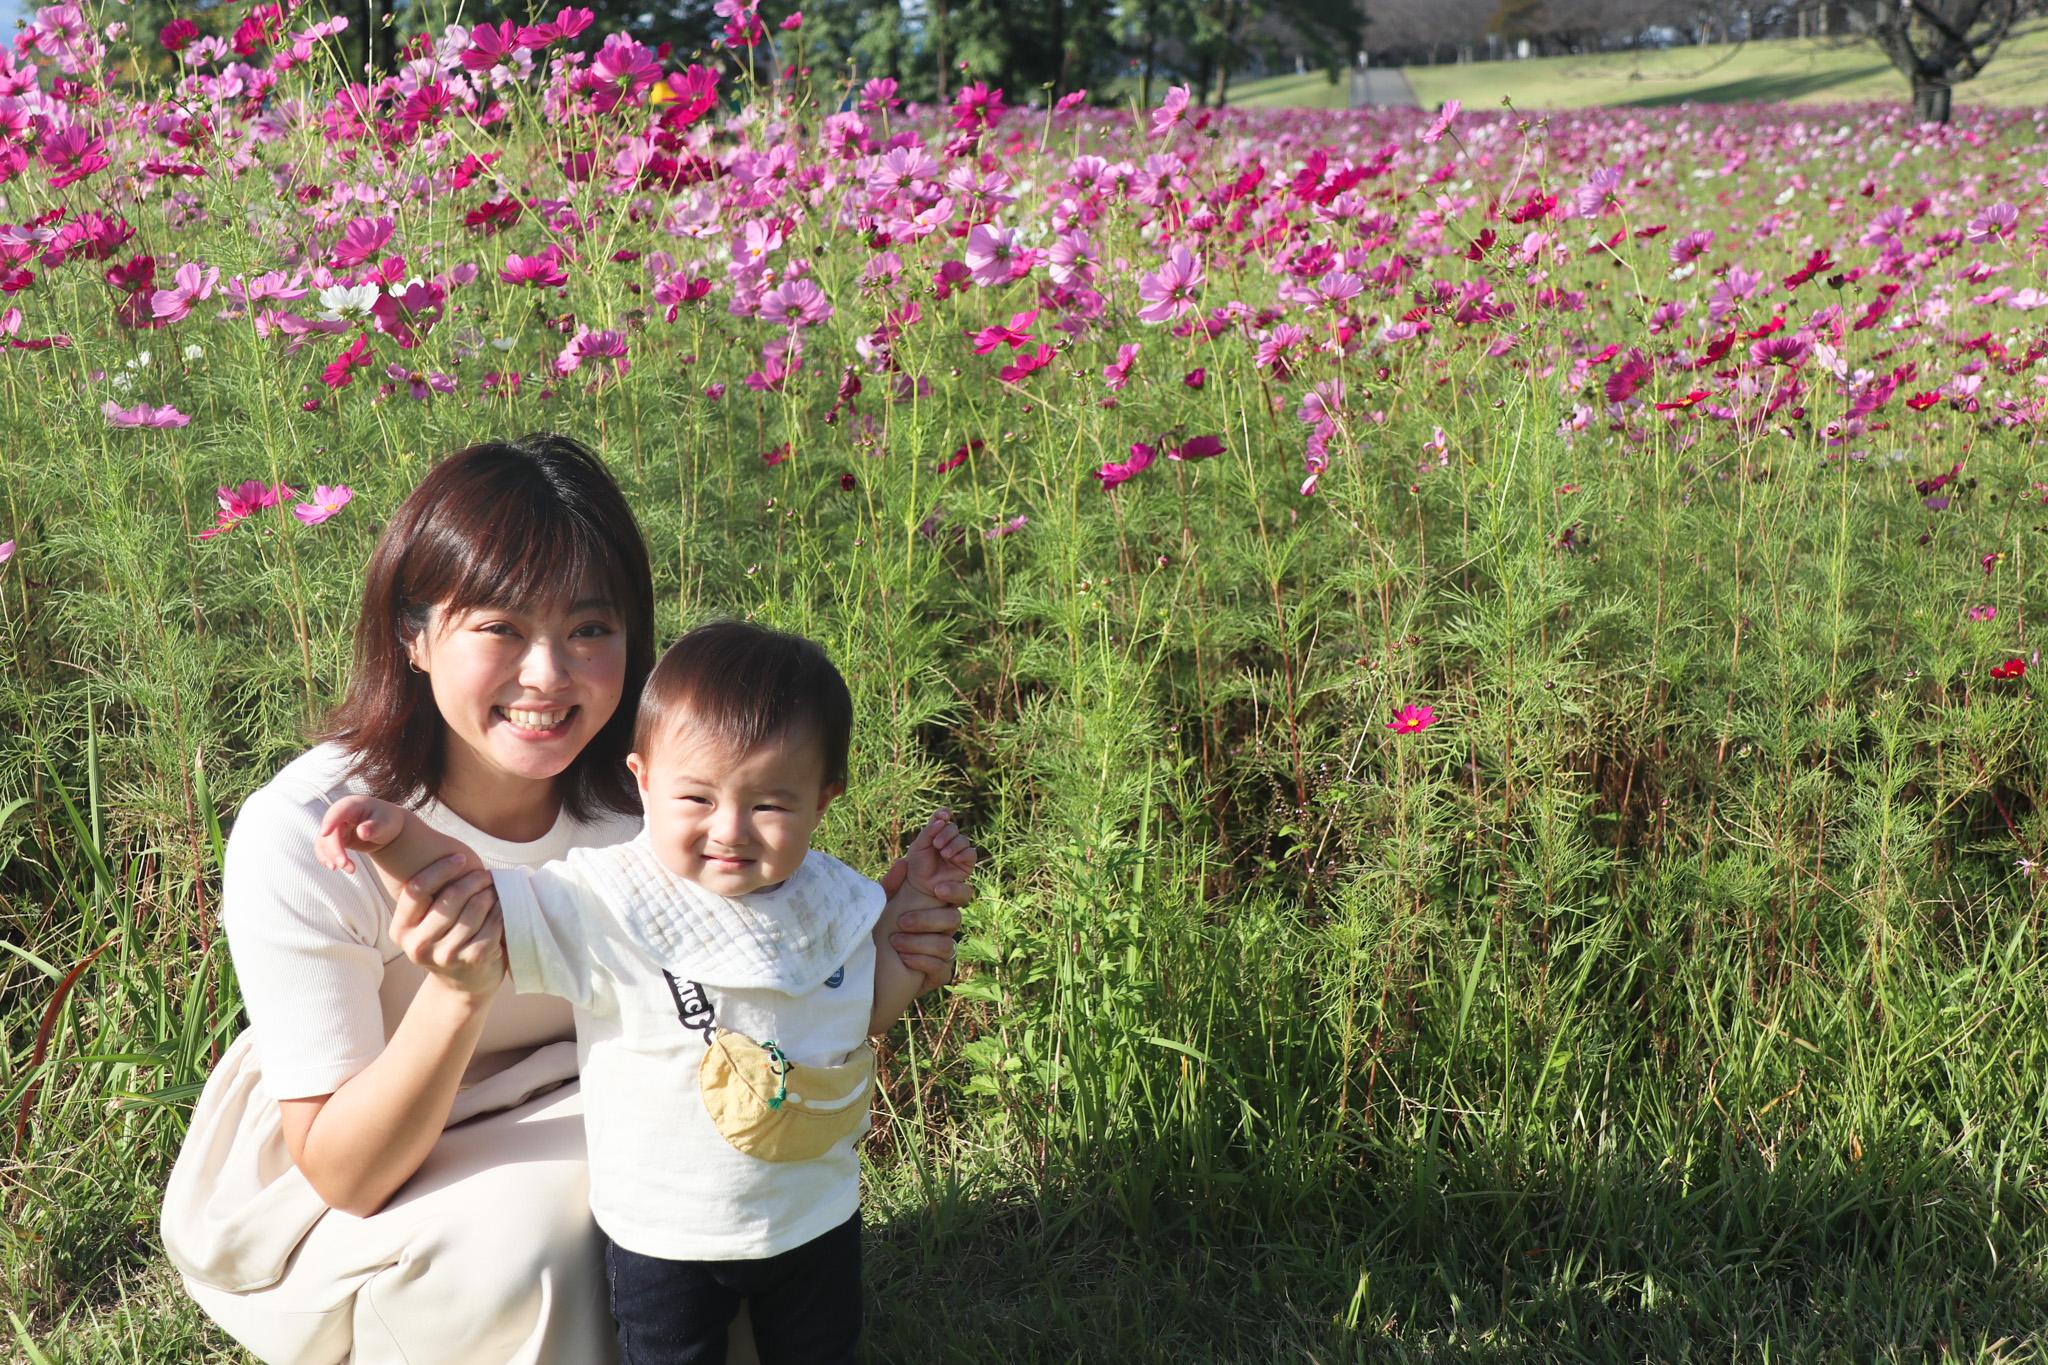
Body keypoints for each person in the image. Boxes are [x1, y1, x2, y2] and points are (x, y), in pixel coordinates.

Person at [159, 435, 966, 1365]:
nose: (548, 675)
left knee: (720, 1198)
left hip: (615, 1089)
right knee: (545, 1236)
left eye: (589, 628)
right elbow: (347, 1168)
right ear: (413, 636)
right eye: (499, 627)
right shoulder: (308, 830)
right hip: (363, 1144)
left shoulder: (659, 800)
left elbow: (766, 994)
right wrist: (458, 989)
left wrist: (870, 948)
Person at [314, 621, 975, 1364]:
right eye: (696, 796)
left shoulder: (832, 899)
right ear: (644, 777)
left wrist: (911, 929)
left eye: (770, 805)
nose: (730, 829)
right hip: (664, 1233)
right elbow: (478, 896)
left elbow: (850, 1018)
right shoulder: (608, 901)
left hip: (814, 1215)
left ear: (824, 798)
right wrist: (396, 836)